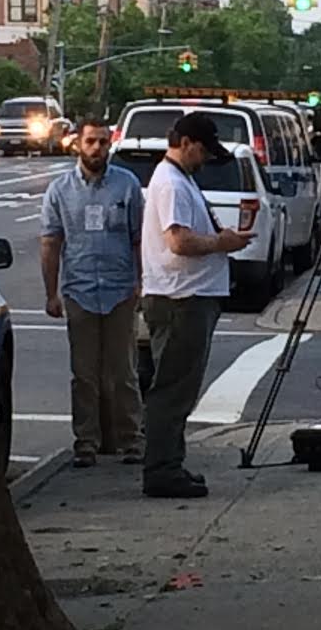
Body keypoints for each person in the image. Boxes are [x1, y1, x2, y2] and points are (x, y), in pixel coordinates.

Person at [141, 112, 253, 499]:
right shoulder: (171, 183)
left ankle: (170, 462)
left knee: (179, 387)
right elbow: (179, 242)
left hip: (187, 295)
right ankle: (162, 468)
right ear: (186, 142)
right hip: (180, 298)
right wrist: (222, 244)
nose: (204, 160)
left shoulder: (179, 178)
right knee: (173, 388)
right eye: (203, 151)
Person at [40, 118, 144, 468]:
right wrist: (50, 293)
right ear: (78, 145)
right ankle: (86, 442)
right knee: (83, 374)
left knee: (123, 371)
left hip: (120, 290)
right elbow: (51, 242)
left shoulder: (127, 186)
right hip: (79, 290)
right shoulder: (60, 190)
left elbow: (138, 240)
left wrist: (141, 282)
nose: (97, 148)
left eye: (102, 142)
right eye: (91, 142)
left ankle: (132, 440)